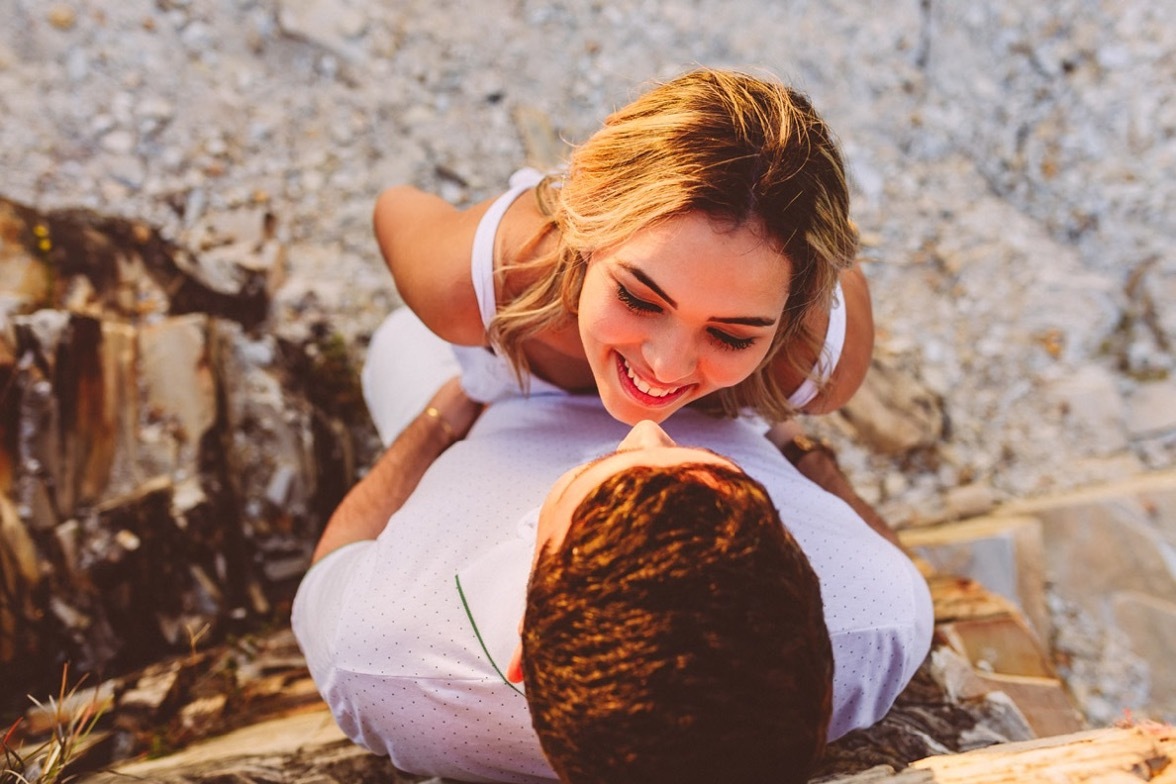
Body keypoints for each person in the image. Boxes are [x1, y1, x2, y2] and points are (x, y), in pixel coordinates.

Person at [292, 323, 933, 783]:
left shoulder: (380, 658)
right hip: (714, 393)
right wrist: (790, 440)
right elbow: (885, 560)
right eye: (716, 469)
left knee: (401, 337)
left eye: (602, 472)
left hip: (494, 402)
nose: (645, 429)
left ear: (524, 646)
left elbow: (338, 552)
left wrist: (456, 403)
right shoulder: (877, 620)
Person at [372, 67, 874, 428]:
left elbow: (837, 260)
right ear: (585, 216)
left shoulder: (818, 365)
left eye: (731, 335)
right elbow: (394, 204)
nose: (666, 366)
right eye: (638, 298)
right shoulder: (475, 278)